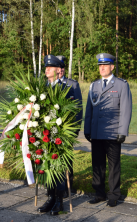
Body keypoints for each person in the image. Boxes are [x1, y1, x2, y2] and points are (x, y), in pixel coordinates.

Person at [84, 53, 132, 207]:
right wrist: (87, 129)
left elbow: (126, 109)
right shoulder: (94, 85)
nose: (102, 68)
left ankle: (113, 194)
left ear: (112, 67)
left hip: (113, 133)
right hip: (97, 132)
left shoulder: (121, 85)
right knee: (97, 164)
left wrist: (122, 131)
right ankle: (99, 193)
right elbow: (89, 109)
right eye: (100, 65)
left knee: (113, 165)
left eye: (105, 65)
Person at [37, 54, 74, 215]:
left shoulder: (68, 88)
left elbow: (74, 112)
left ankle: (59, 201)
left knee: (59, 169)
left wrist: (70, 134)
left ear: (59, 70)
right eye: (46, 67)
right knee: (47, 168)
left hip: (60, 136)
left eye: (50, 67)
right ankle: (51, 198)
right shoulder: (42, 88)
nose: (47, 69)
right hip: (44, 136)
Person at [56, 55, 83, 197]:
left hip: (68, 129)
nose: (59, 70)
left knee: (66, 158)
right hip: (52, 130)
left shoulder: (73, 84)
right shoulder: (48, 84)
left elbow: (78, 108)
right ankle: (54, 187)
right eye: (57, 68)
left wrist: (76, 128)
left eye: (62, 68)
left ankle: (68, 186)